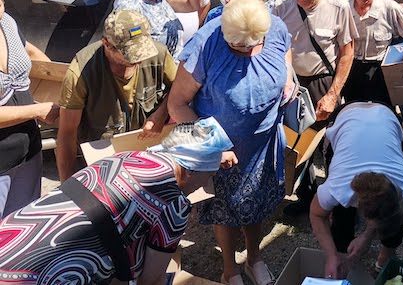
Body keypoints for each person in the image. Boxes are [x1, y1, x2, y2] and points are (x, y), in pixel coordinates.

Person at [0, 118, 232, 284]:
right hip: (42, 273)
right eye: (208, 175)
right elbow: (151, 281)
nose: (204, 186)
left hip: (10, 239)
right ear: (190, 171)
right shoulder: (174, 203)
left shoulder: (124, 157)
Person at [169, 0, 291, 285]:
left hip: (263, 144)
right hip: (223, 150)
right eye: (238, 46)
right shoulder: (205, 45)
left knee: (257, 204)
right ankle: (229, 270)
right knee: (226, 211)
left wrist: (288, 81)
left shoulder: (275, 27)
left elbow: (285, 54)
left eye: (252, 45)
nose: (246, 50)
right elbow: (177, 105)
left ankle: (254, 259)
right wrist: (213, 144)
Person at [273, 0, 357, 214]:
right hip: (294, 84)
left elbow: (347, 53)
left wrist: (333, 94)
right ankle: (306, 197)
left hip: (324, 81)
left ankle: (337, 199)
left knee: (330, 143)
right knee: (298, 144)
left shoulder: (338, 6)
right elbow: (277, 47)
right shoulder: (281, 7)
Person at [56, 10, 177, 180]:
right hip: (102, 163)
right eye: (130, 54)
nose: (140, 59)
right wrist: (66, 186)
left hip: (146, 157)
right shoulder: (80, 72)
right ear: (107, 44)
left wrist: (161, 114)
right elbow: (67, 134)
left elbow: (181, 89)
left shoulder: (159, 55)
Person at [309, 102, 403, 278]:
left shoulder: (402, 188)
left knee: (396, 212)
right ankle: (340, 256)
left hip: (386, 117)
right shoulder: (338, 188)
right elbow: (316, 214)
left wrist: (366, 237)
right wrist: (331, 256)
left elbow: (384, 214)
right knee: (342, 215)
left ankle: (386, 255)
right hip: (346, 116)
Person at [0, 0, 56, 217]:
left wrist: (58, 78)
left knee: (24, 226)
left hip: (28, 149)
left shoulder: (7, 23)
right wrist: (36, 110)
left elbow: (29, 51)